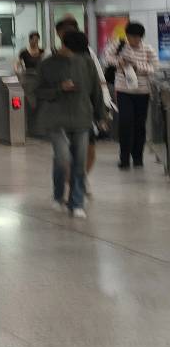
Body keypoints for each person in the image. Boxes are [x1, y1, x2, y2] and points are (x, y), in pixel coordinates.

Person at [35, 29, 107, 219]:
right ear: (64, 46)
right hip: (56, 119)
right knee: (63, 158)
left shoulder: (87, 62)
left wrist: (101, 116)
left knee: (80, 161)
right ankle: (58, 195)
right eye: (74, 51)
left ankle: (76, 202)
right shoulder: (47, 65)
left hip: (82, 118)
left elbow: (96, 91)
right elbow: (38, 91)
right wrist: (60, 88)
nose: (77, 56)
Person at [54, 15, 111, 197]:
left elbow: (98, 84)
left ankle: (80, 179)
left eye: (72, 30)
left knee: (89, 151)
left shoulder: (89, 55)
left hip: (85, 112)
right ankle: (71, 186)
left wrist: (102, 112)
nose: (68, 34)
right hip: (62, 114)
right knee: (65, 154)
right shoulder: (53, 57)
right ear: (59, 33)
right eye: (65, 31)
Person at [103, 20, 158, 169]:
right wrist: (119, 62)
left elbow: (154, 67)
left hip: (142, 91)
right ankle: (124, 158)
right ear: (127, 36)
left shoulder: (148, 49)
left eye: (137, 37)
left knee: (139, 125)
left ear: (141, 37)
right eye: (131, 37)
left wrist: (136, 66)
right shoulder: (119, 44)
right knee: (125, 123)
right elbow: (107, 56)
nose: (134, 40)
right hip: (123, 90)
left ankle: (138, 157)